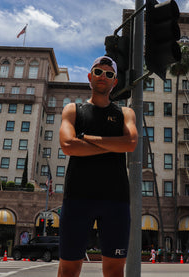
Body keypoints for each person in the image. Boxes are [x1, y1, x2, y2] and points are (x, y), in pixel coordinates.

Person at [57, 56, 138, 277]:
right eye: (98, 72)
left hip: (116, 202)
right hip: (77, 199)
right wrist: (114, 146)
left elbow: (131, 143)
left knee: (114, 271)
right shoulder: (73, 110)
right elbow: (68, 145)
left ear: (115, 81)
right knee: (69, 269)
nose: (103, 76)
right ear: (89, 77)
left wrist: (89, 139)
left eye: (109, 74)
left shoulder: (125, 113)